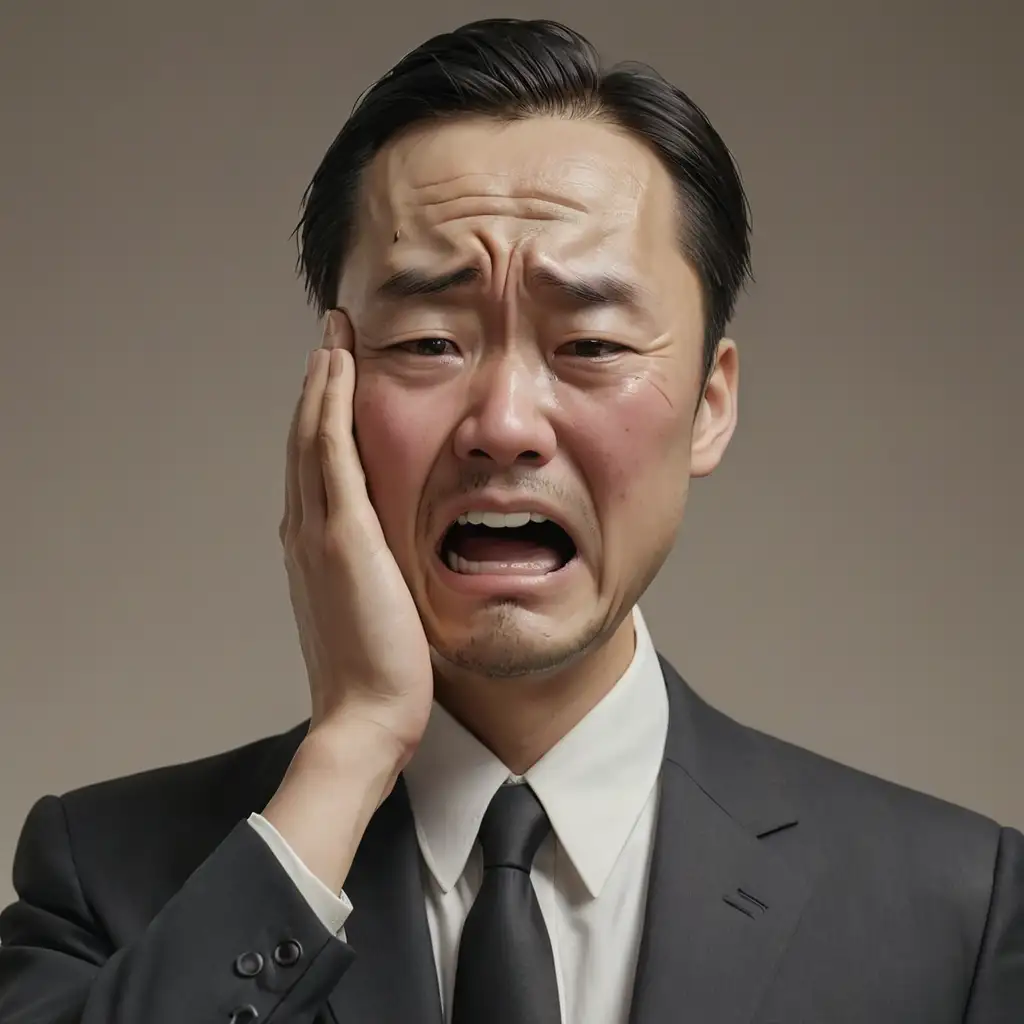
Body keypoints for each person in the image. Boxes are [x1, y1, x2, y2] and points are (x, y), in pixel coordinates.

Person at [0, 16, 1020, 1024]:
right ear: (329, 388)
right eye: (430, 340)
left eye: (589, 343)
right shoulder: (106, 880)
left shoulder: (956, 913)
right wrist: (352, 746)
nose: (501, 425)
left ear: (710, 403)